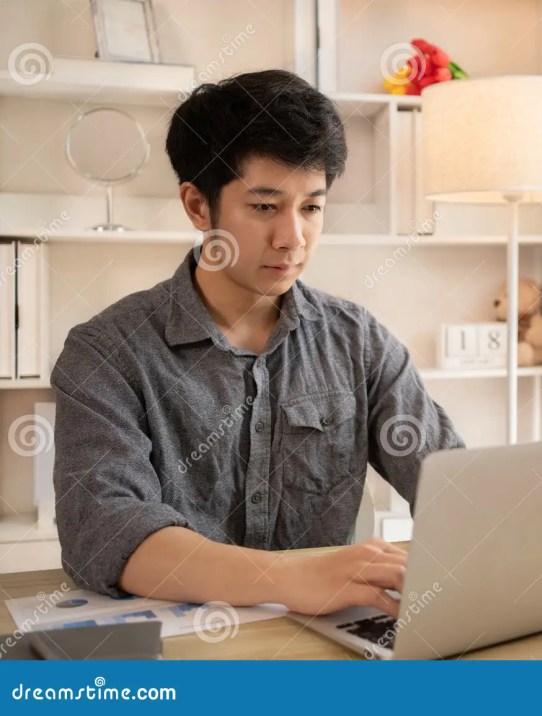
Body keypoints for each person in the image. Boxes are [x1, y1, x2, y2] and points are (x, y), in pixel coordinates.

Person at [51, 69, 464, 619]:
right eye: (265, 207)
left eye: (311, 207)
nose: (293, 237)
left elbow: (454, 486)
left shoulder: (358, 341)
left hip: (326, 646)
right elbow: (103, 533)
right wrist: (295, 579)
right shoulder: (107, 352)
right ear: (199, 206)